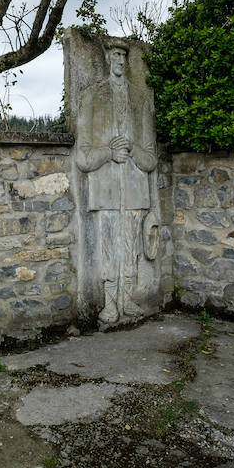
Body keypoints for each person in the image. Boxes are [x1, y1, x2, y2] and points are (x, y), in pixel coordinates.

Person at [74, 43, 157, 324]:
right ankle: (110, 303)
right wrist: (109, 153)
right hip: (106, 189)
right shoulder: (92, 96)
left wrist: (132, 149)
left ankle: (127, 299)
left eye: (124, 55)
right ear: (108, 58)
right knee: (108, 245)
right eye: (115, 55)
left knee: (131, 245)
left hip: (134, 188)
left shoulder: (139, 99)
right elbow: (82, 156)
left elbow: (151, 158)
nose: (120, 59)